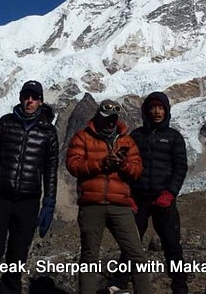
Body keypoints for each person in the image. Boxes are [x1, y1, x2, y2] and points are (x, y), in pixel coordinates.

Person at [0, 80, 59, 294]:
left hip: (28, 202)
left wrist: (49, 203)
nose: (30, 101)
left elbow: (50, 170)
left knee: (17, 255)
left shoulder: (48, 132)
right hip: (0, 198)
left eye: (34, 97)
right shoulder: (5, 123)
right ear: (20, 98)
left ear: (40, 101)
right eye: (26, 96)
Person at [66, 99, 151, 294]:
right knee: (89, 258)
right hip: (91, 204)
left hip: (120, 205)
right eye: (106, 118)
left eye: (113, 118)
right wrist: (101, 163)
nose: (110, 122)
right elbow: (73, 165)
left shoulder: (126, 141)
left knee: (137, 255)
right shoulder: (83, 137)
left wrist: (122, 164)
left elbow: (137, 171)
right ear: (98, 116)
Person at [114, 91, 189, 294]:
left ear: (166, 111)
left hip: (163, 199)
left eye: (161, 107)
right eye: (153, 107)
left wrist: (170, 194)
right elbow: (123, 165)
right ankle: (119, 283)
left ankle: (180, 287)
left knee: (172, 245)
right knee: (130, 242)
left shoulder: (174, 137)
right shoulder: (136, 136)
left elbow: (180, 167)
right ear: (147, 111)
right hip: (139, 199)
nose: (157, 111)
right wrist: (127, 195)